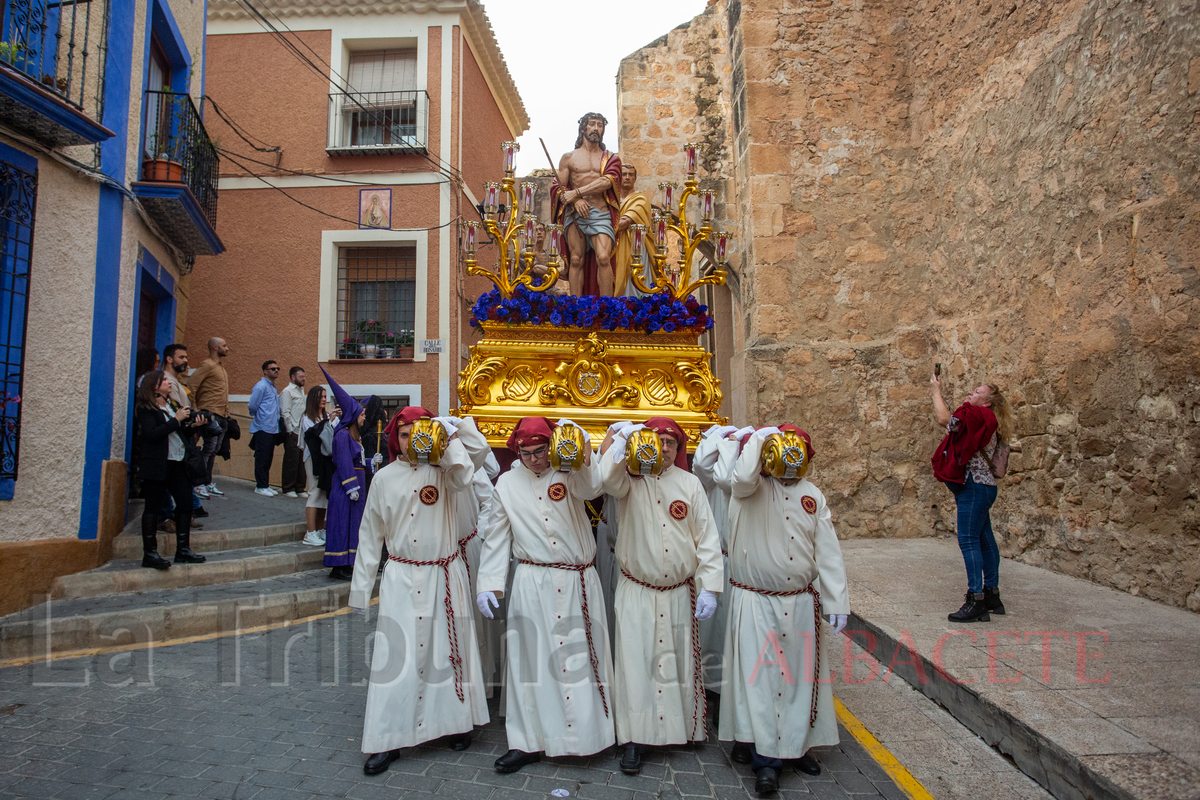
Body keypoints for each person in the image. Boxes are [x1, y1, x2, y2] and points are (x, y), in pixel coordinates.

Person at [350, 407, 490, 774]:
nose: (412, 440)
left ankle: (456, 724)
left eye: (419, 432)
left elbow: (477, 455)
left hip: (444, 574)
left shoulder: (446, 471)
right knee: (398, 659)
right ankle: (388, 738)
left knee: (448, 654)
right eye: (405, 434)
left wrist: (452, 432)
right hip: (401, 577)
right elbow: (369, 536)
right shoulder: (383, 478)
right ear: (395, 438)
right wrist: (360, 591)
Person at [476, 418, 614, 772]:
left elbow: (592, 485)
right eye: (526, 454)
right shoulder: (506, 483)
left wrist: (581, 449)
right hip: (531, 580)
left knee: (582, 662)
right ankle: (526, 742)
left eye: (540, 452)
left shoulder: (567, 471)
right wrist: (489, 583)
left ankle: (590, 736)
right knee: (529, 665)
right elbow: (496, 534)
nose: (535, 460)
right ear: (515, 452)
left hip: (576, 581)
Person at [720, 425, 849, 796]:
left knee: (799, 680)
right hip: (757, 599)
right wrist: (760, 438)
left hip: (801, 601)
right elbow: (742, 475)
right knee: (761, 681)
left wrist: (837, 600)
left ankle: (794, 748)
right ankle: (766, 759)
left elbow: (827, 549)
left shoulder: (813, 495)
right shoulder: (749, 489)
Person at [598, 417, 723, 775]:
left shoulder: (690, 484)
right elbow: (605, 480)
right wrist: (621, 443)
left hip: (679, 592)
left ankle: (684, 729)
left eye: (670, 442)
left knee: (677, 664)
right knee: (637, 666)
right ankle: (635, 739)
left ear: (678, 448)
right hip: (637, 588)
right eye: (658, 440)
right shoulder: (628, 480)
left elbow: (707, 538)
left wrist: (710, 587)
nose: (664, 447)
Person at [932, 375, 1014, 622]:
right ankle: (992, 595)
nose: (971, 393)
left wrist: (936, 391)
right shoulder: (987, 420)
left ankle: (975, 599)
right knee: (985, 539)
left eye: (977, 391)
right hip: (985, 486)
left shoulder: (977, 416)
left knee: (969, 541)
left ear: (988, 402)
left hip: (974, 486)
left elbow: (944, 419)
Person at [133, 371, 208, 569]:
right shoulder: (145, 408)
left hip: (177, 463)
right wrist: (175, 420)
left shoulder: (172, 404)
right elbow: (151, 434)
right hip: (157, 464)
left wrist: (193, 426)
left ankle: (183, 550)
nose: (169, 383)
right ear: (154, 385)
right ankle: (150, 554)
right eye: (164, 380)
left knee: (185, 504)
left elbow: (179, 433)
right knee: (153, 508)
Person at [692, 424, 741, 719]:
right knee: (711, 632)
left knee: (731, 631)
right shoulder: (708, 481)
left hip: (739, 564)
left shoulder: (749, 478)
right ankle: (709, 685)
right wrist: (718, 438)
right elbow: (702, 464)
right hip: (715, 560)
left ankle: (729, 689)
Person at [552, 112, 622, 296]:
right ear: (583, 128)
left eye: (600, 125)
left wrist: (577, 193)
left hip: (601, 212)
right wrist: (575, 201)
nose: (596, 129)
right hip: (575, 214)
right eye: (592, 124)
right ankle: (576, 306)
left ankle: (607, 307)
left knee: (604, 257)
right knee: (575, 259)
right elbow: (559, 187)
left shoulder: (610, 158)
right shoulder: (568, 158)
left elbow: (608, 181)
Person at [321, 368, 366, 581]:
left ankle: (348, 563)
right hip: (346, 488)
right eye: (362, 414)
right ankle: (338, 565)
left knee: (351, 526)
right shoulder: (342, 436)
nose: (364, 417)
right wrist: (351, 487)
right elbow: (343, 462)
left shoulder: (353, 436)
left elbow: (355, 460)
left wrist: (368, 463)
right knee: (342, 525)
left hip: (355, 487)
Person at [161, 343, 210, 517]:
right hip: (175, 437)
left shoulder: (176, 382)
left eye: (186, 358)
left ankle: (188, 513)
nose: (185, 361)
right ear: (169, 359)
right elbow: (176, 411)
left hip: (184, 434)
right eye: (181, 357)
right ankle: (170, 515)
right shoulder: (165, 381)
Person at [188, 337, 230, 497]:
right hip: (210, 413)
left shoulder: (220, 367)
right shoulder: (207, 365)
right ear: (215, 347)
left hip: (222, 413)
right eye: (224, 346)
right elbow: (192, 385)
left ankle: (207, 481)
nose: (227, 348)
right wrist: (196, 409)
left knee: (214, 450)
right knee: (208, 449)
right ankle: (198, 484)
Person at [300, 385, 339, 547]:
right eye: (321, 396)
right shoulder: (306, 418)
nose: (324, 399)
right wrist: (328, 421)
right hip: (313, 458)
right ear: (313, 399)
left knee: (323, 492)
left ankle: (319, 529)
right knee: (314, 492)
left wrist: (335, 419)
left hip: (324, 458)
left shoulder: (324, 416)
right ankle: (310, 532)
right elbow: (314, 436)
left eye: (325, 396)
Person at [613, 163, 656, 297]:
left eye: (630, 174)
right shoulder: (612, 201)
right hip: (615, 247)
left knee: (636, 286)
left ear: (635, 178)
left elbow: (623, 224)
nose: (627, 177)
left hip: (636, 249)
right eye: (624, 174)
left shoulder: (640, 200)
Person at [248, 360, 283, 496]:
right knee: (262, 458)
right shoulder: (261, 386)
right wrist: (259, 417)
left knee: (268, 457)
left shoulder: (273, 387)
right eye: (273, 368)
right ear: (265, 371)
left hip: (272, 428)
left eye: (277, 368)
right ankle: (260, 486)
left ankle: (265, 484)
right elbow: (252, 405)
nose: (276, 371)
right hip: (263, 427)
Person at [278, 367, 308, 498]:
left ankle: (300, 487)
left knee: (302, 460)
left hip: (302, 431)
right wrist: (290, 429)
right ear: (293, 377)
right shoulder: (287, 392)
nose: (303, 379)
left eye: (304, 376)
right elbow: (285, 412)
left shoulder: (301, 391)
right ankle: (288, 487)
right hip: (293, 431)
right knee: (291, 460)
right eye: (300, 376)